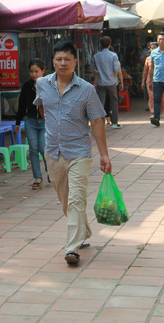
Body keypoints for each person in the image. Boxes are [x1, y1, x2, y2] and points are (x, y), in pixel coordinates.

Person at [34, 40, 112, 265]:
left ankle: (72, 248)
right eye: (59, 59)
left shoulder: (86, 89)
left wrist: (104, 154)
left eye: (67, 59)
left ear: (75, 62)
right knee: (66, 200)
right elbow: (41, 106)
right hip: (53, 152)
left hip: (79, 151)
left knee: (77, 199)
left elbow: (97, 121)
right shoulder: (42, 83)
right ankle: (84, 231)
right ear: (53, 61)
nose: (63, 63)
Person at [14, 58, 48, 190]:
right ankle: (38, 178)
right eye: (31, 72)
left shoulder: (49, 85)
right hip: (31, 122)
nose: (34, 74)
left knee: (43, 149)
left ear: (43, 71)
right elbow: (22, 105)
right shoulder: (27, 87)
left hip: (45, 122)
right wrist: (17, 122)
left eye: (36, 71)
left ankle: (50, 171)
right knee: (33, 149)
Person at [92, 36, 123, 129]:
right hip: (111, 82)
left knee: (101, 103)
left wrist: (99, 72)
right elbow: (116, 69)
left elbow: (91, 69)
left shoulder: (96, 56)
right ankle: (114, 122)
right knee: (114, 101)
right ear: (109, 44)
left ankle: (102, 123)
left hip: (101, 82)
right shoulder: (113, 55)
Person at [141, 42, 164, 117]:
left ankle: (160, 111)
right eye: (151, 48)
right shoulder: (148, 59)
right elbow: (145, 71)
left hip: (161, 79)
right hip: (149, 80)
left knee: (161, 96)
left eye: (154, 48)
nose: (153, 49)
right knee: (151, 97)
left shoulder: (162, 57)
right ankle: (153, 112)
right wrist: (143, 82)